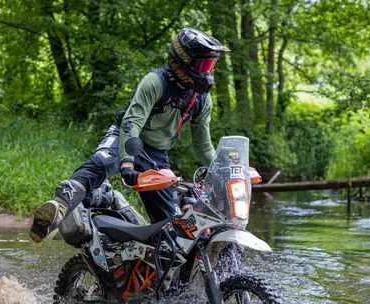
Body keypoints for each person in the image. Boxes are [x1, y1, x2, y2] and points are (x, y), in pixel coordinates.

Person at [30, 27, 229, 243]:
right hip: (126, 139)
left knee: (172, 226)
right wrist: (126, 163)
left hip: (156, 156)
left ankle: (110, 206)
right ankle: (60, 206)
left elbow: (203, 146)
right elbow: (131, 122)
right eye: (202, 65)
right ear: (181, 62)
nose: (207, 72)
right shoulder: (156, 82)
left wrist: (226, 170)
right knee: (102, 163)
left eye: (211, 65)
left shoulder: (202, 100)